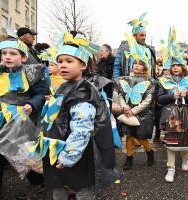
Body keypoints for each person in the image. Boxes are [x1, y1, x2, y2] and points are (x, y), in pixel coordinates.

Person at [29, 31, 119, 200]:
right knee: (58, 185)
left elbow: (81, 129)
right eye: (60, 61)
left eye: (69, 61)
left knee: (80, 188)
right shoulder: (67, 86)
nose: (63, 65)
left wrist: (68, 156)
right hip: (58, 146)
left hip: (72, 151)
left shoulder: (82, 91)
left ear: (83, 65)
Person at [0, 33, 45, 198]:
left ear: (23, 58)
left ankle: (39, 180)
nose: (7, 57)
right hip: (2, 119)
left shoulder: (31, 73)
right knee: (4, 152)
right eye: (4, 53)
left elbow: (40, 94)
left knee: (24, 154)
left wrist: (32, 104)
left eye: (12, 54)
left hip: (23, 119)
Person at [158, 26, 188, 183]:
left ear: (183, 67)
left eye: (178, 65)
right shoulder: (164, 81)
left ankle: (187, 156)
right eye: (173, 65)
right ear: (170, 67)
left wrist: (186, 95)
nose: (175, 68)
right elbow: (159, 99)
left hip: (185, 116)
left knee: (183, 141)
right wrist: (171, 95)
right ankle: (171, 168)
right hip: (169, 116)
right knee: (171, 143)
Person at [113, 33, 157, 171]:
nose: (136, 65)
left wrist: (133, 111)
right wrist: (125, 107)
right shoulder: (125, 79)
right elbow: (121, 95)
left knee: (140, 136)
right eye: (135, 63)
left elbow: (148, 101)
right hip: (128, 110)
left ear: (145, 67)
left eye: (140, 64)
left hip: (141, 113)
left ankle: (150, 151)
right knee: (129, 135)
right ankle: (129, 158)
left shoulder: (150, 82)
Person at [113, 12, 156, 78]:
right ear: (134, 36)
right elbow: (117, 67)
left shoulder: (149, 50)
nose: (144, 38)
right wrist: (116, 83)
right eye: (141, 35)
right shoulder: (124, 48)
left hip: (146, 84)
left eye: (145, 35)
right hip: (128, 84)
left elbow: (153, 68)